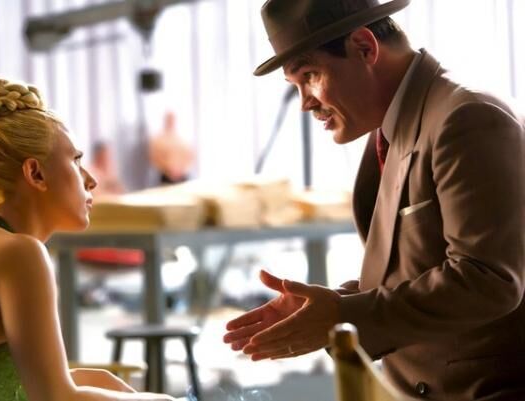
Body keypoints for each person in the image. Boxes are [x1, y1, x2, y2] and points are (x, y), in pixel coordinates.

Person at [223, 0, 525, 400]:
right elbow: (417, 271)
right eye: (295, 85)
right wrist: (330, 306)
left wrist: (343, 316)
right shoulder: (395, 126)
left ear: (364, 47)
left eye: (310, 76)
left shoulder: (466, 117)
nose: (305, 102)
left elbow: (489, 280)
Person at [0, 78, 175, 401]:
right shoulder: (20, 253)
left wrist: (95, 381)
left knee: (102, 380)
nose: (91, 180)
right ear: (36, 174)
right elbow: (55, 398)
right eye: (76, 160)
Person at [148, 111, 194, 185]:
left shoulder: (182, 139)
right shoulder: (158, 139)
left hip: (182, 175)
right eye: (169, 119)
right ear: (165, 120)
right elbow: (154, 158)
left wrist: (181, 170)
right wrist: (169, 170)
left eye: (173, 120)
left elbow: (190, 156)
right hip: (166, 176)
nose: (171, 122)